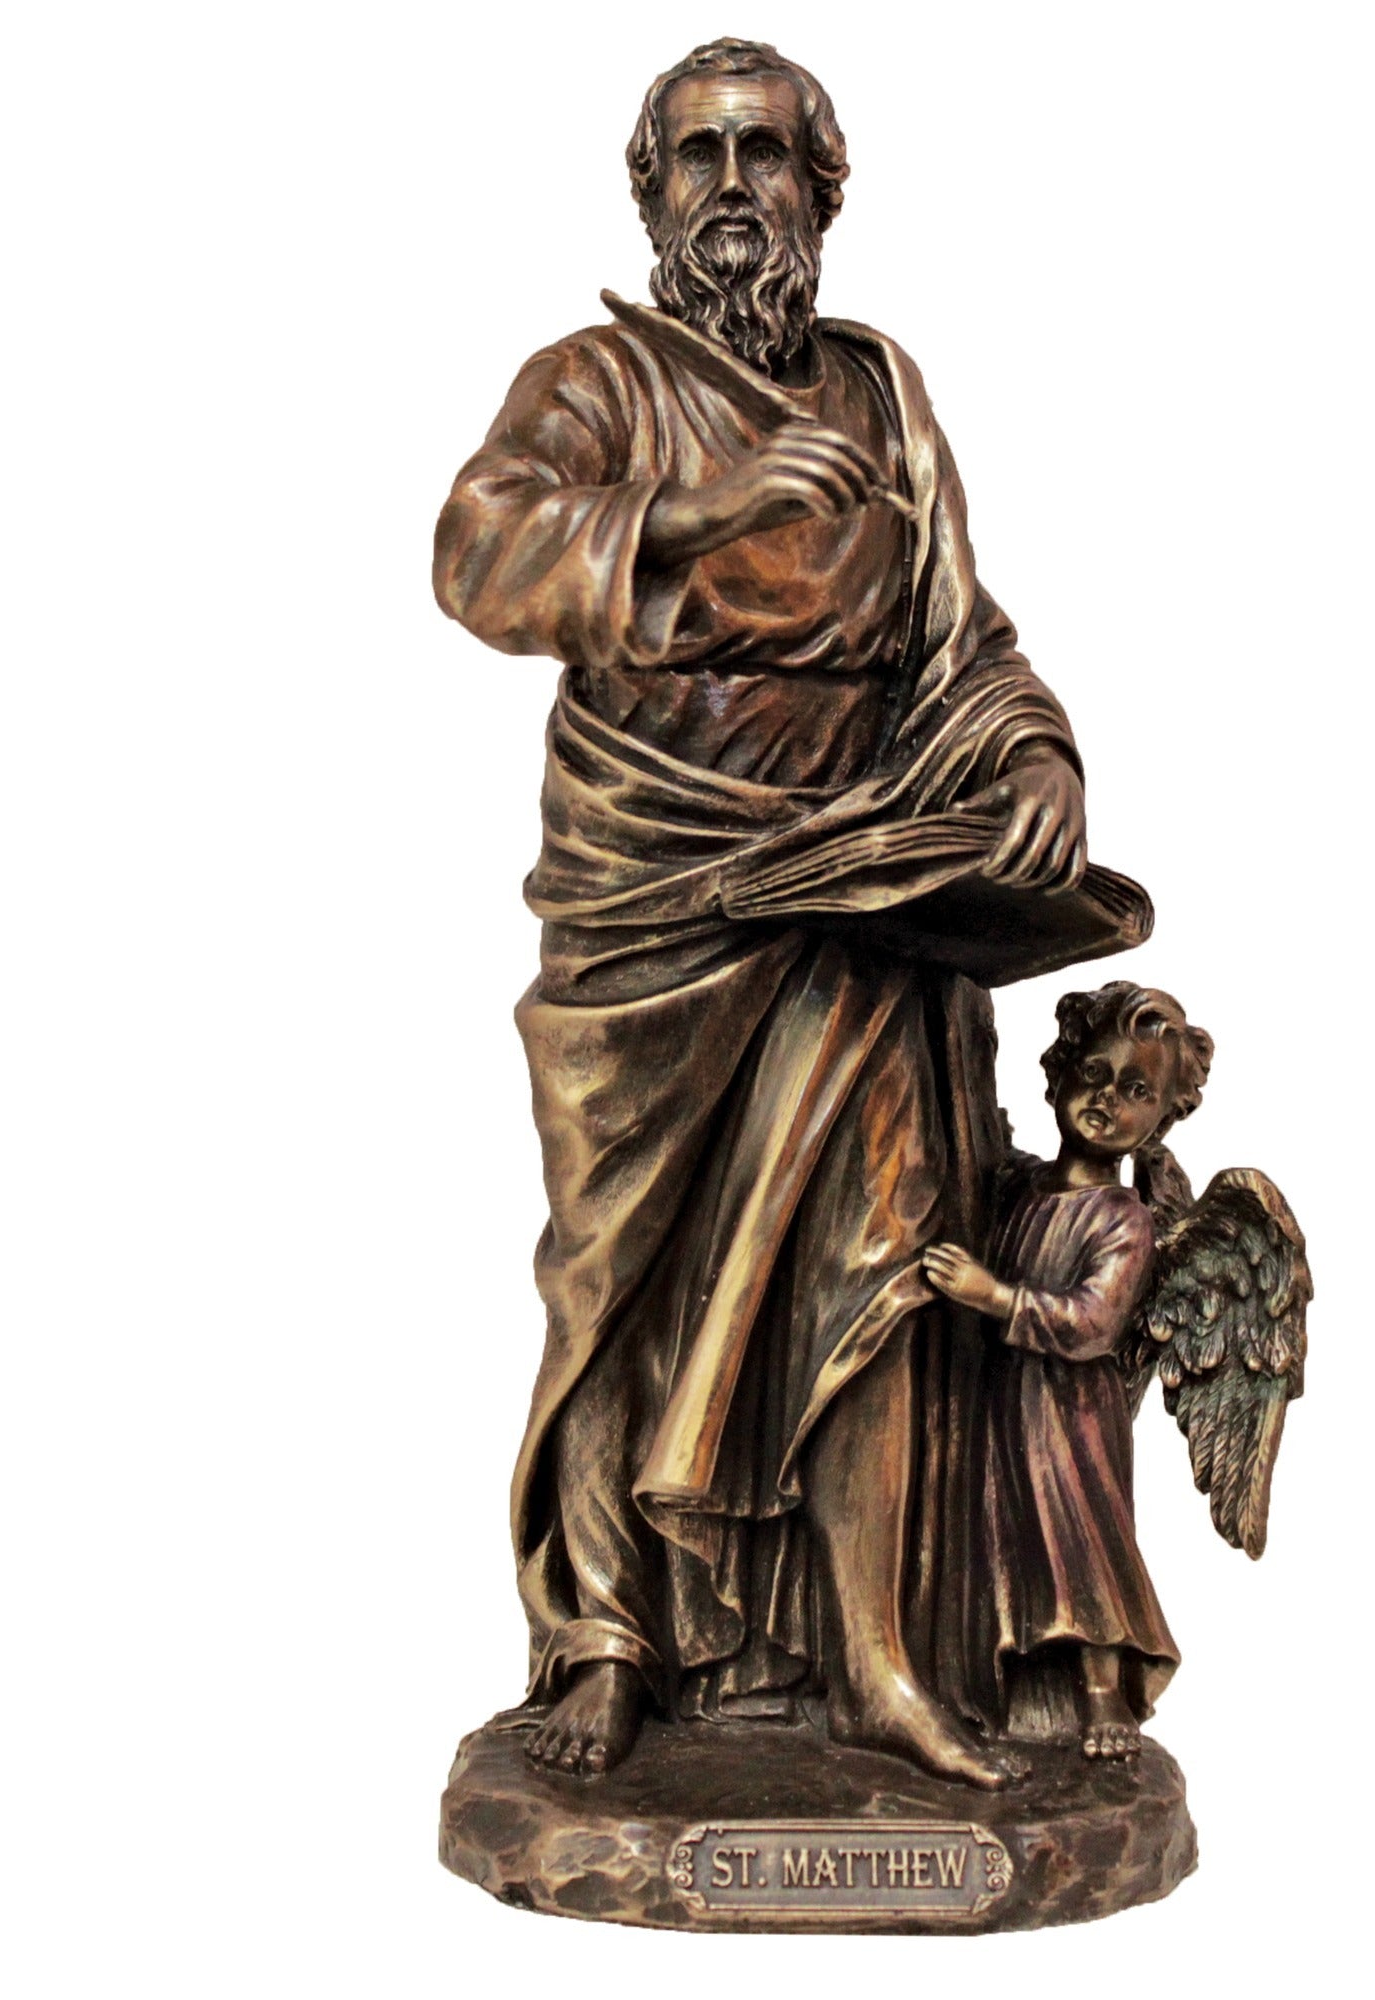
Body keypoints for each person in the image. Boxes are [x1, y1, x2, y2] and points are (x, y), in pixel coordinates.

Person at [433, 39, 1147, 1782]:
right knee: (619, 1269)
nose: (734, 188)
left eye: (768, 155)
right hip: (650, 893)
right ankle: (606, 1641)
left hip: (864, 890)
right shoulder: (596, 382)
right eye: (701, 156)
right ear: (652, 193)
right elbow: (476, 557)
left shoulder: (883, 392)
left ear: (824, 192)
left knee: (877, 1263)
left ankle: (880, 1660)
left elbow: (961, 636)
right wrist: (698, 509)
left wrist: (1032, 749)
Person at [923, 984, 1208, 1758]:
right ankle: (1006, 1679)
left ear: (1162, 1120)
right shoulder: (1019, 1185)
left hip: (1071, 1413)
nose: (1106, 1099)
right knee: (1002, 1530)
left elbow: (1092, 1321)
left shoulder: (1124, 1220)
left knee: (1081, 1537)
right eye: (1094, 1073)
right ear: (1058, 1075)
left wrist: (993, 1295)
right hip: (1003, 1398)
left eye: (1137, 1090)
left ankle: (1101, 1690)